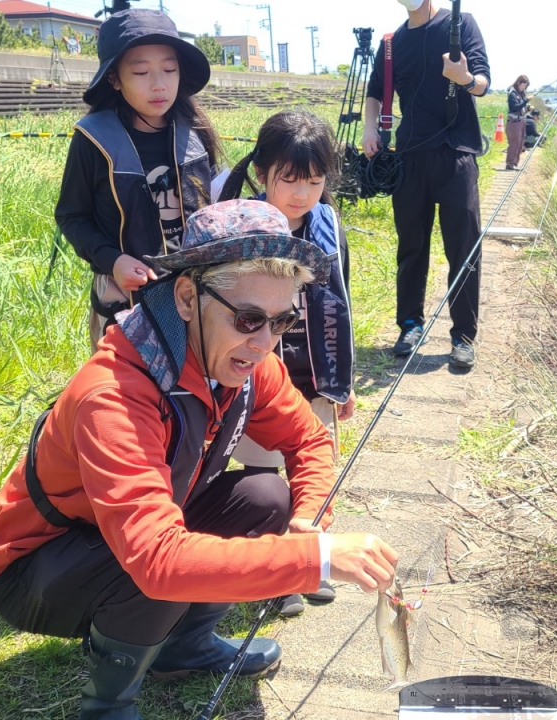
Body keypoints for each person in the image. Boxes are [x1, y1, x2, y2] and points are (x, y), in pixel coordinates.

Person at [0, 200, 400, 720]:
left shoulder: (246, 361)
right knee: (160, 564)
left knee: (267, 497)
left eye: (281, 321)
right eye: (247, 318)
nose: (264, 343)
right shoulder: (114, 394)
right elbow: (157, 560)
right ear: (184, 297)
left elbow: (309, 440)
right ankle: (107, 705)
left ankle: (185, 648)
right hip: (34, 569)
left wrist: (309, 520)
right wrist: (321, 560)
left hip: (127, 534)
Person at [219, 110, 358, 617]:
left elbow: (342, 300)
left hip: (315, 370)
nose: (302, 195)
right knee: (266, 473)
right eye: (290, 180)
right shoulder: (241, 222)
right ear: (262, 173)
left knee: (316, 466)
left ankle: (312, 561)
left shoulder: (328, 222)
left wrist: (344, 382)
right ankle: (276, 573)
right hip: (258, 372)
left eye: (315, 182)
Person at [55, 8, 222, 353]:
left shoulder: (196, 131)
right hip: (126, 297)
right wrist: (112, 261)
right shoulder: (93, 139)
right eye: (141, 71)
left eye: (169, 69)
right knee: (131, 395)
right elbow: (71, 216)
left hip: (197, 292)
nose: (159, 84)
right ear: (114, 78)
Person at [362, 0, 491, 372]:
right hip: (410, 157)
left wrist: (464, 79)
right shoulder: (390, 43)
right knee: (411, 248)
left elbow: (483, 82)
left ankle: (463, 336)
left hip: (456, 155)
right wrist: (371, 127)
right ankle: (409, 325)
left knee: (463, 250)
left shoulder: (461, 23)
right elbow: (374, 91)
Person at [504, 74, 529, 170]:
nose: (524, 87)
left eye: (525, 86)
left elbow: (521, 107)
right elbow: (515, 107)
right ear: (518, 83)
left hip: (521, 120)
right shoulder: (512, 93)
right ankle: (510, 163)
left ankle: (514, 163)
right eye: (523, 85)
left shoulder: (520, 93)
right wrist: (526, 100)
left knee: (520, 142)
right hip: (514, 121)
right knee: (514, 142)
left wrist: (527, 108)